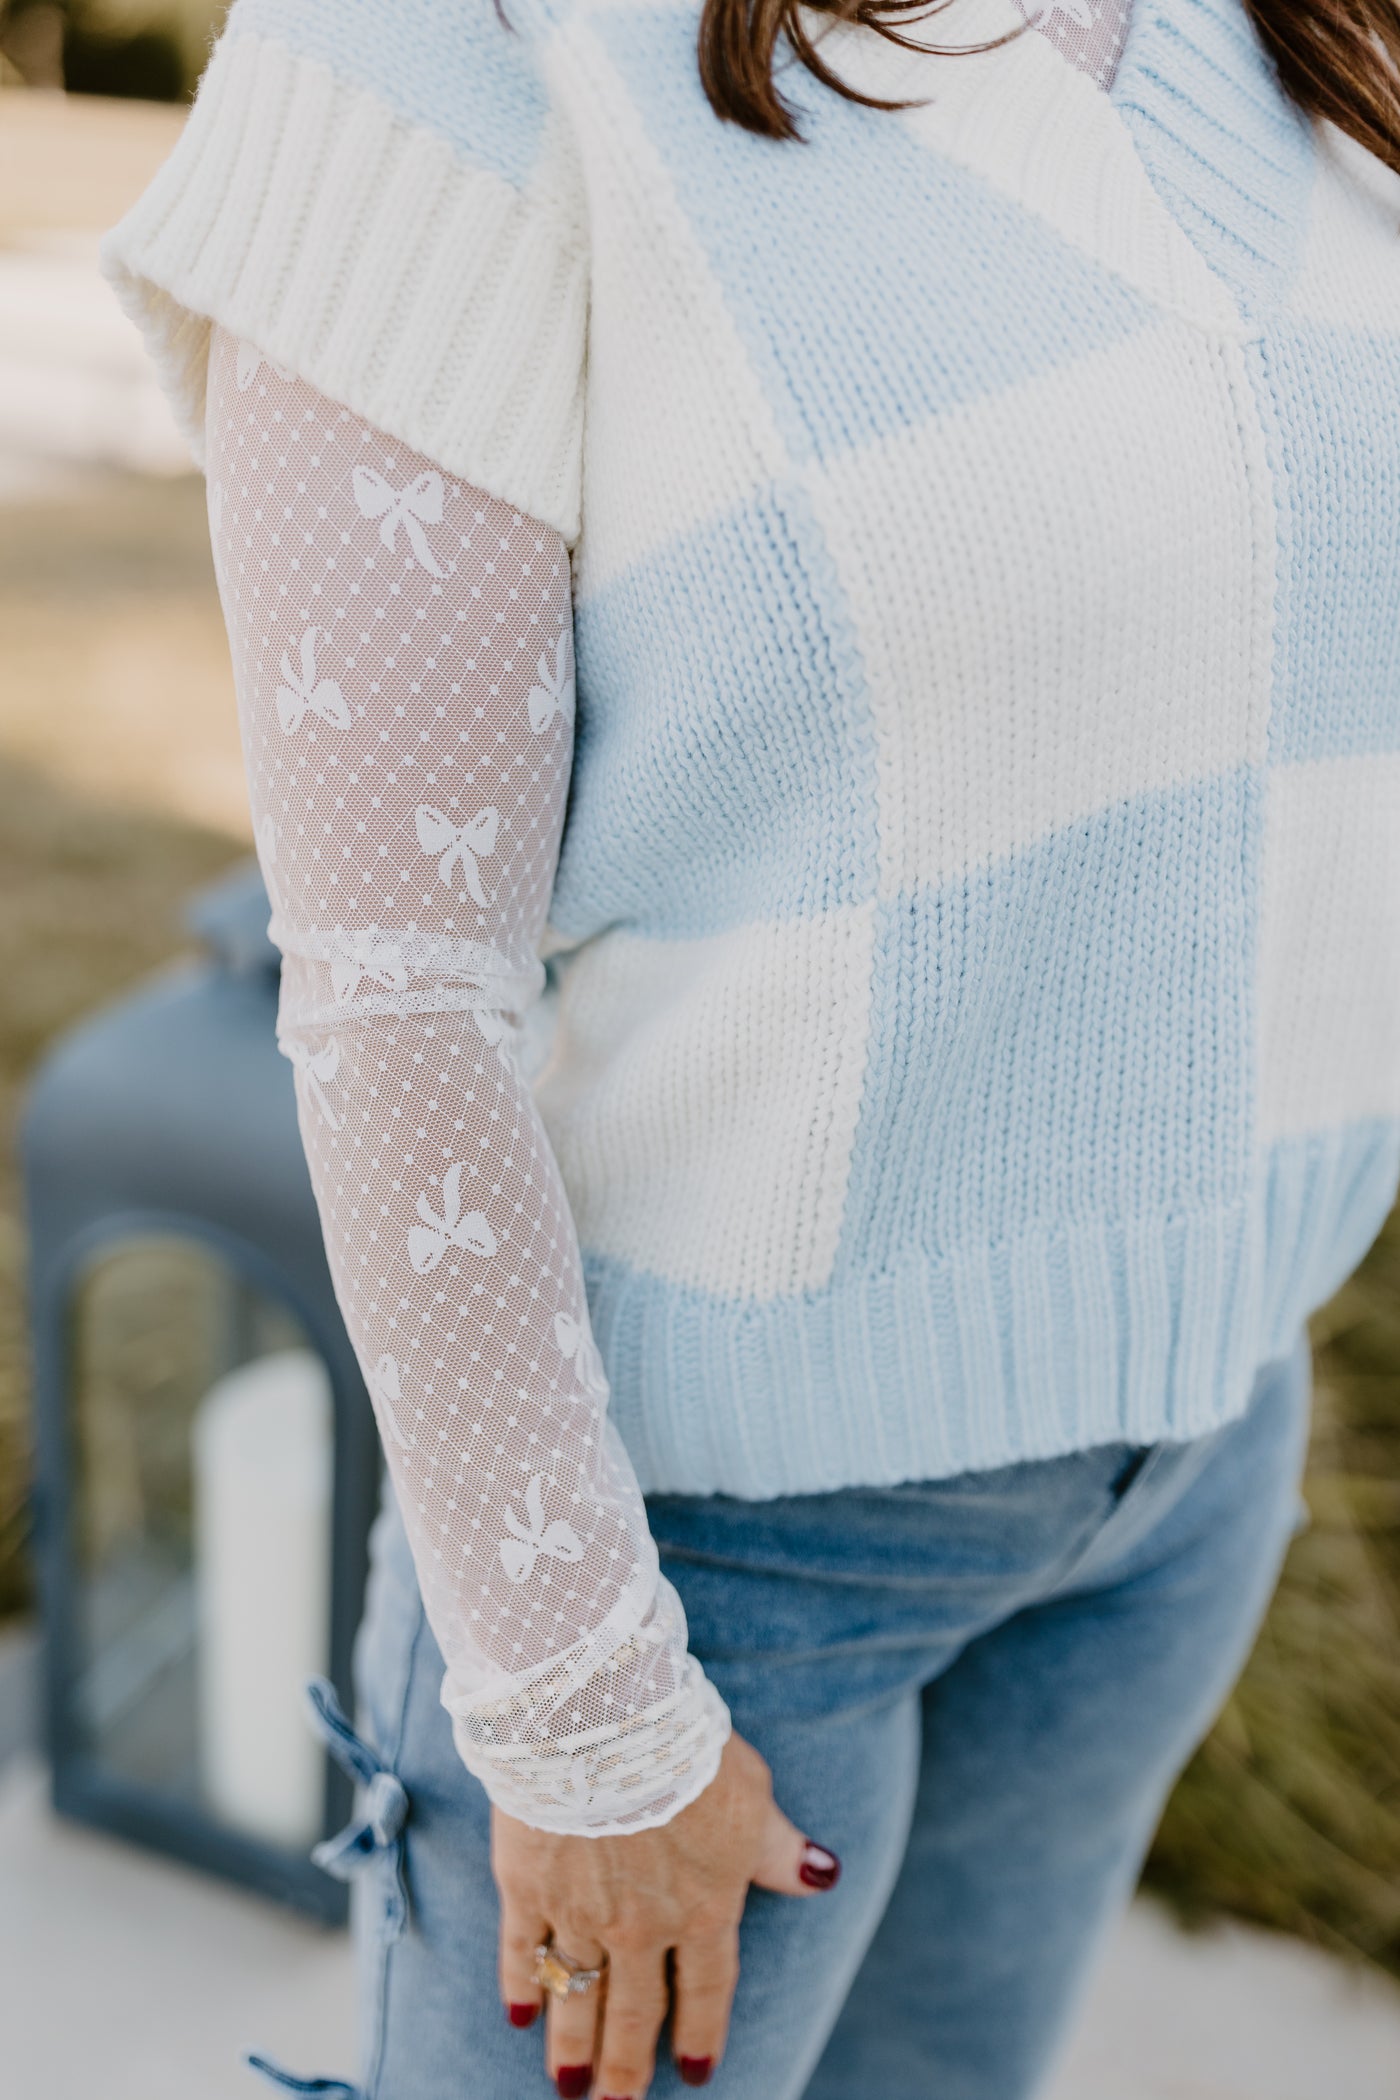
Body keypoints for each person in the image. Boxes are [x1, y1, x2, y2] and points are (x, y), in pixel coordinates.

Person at [101, 0, 1400, 2093]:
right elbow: (400, 991)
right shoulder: (446, 44)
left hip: (1180, 1489)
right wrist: (586, 1712)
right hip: (695, 1573)